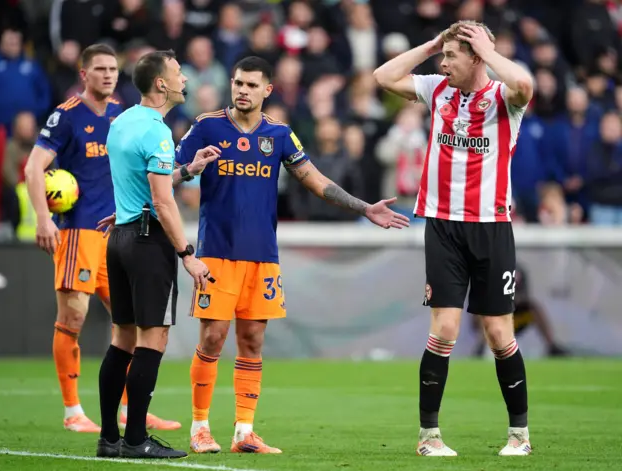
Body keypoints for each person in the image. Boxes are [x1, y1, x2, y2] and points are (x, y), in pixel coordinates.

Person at [176, 56, 410, 454]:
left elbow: (316, 181)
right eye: (237, 83)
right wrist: (189, 171)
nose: (242, 91)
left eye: (251, 85)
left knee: (252, 340)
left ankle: (244, 431)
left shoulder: (280, 134)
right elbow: (168, 174)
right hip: (217, 252)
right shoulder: (206, 125)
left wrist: (364, 207)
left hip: (263, 255)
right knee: (213, 337)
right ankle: (200, 427)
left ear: (268, 90)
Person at [374, 20, 534, 457]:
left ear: (478, 57)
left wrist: (487, 48)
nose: (444, 65)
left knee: (499, 334)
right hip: (442, 225)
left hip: (491, 227)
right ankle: (429, 437)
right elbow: (383, 77)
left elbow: (523, 82)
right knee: (444, 329)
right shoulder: (437, 88)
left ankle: (519, 435)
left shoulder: (504, 98)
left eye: (452, 56)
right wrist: (430, 45)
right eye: (442, 57)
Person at [24, 44, 180, 433]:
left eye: (113, 68)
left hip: (115, 234)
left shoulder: (123, 115)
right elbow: (33, 168)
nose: (109, 75)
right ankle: (72, 410)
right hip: (78, 230)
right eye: (100, 69)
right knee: (73, 317)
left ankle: (130, 411)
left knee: (127, 325)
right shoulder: (66, 116)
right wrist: (43, 219)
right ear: (84, 74)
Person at [95, 49, 219, 459]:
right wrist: (187, 253)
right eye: (179, 73)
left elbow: (144, 181)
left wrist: (189, 169)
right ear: (161, 83)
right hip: (149, 243)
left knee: (121, 340)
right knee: (153, 339)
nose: (185, 79)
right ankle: (136, 440)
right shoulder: (158, 132)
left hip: (120, 237)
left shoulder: (122, 122)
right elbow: (164, 203)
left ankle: (109, 438)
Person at [472, 265, 570, 357]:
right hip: (497, 316)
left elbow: (525, 296)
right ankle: (481, 346)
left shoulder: (517, 270)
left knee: (534, 309)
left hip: (514, 317)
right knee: (485, 312)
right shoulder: (494, 271)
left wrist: (515, 300)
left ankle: (551, 346)